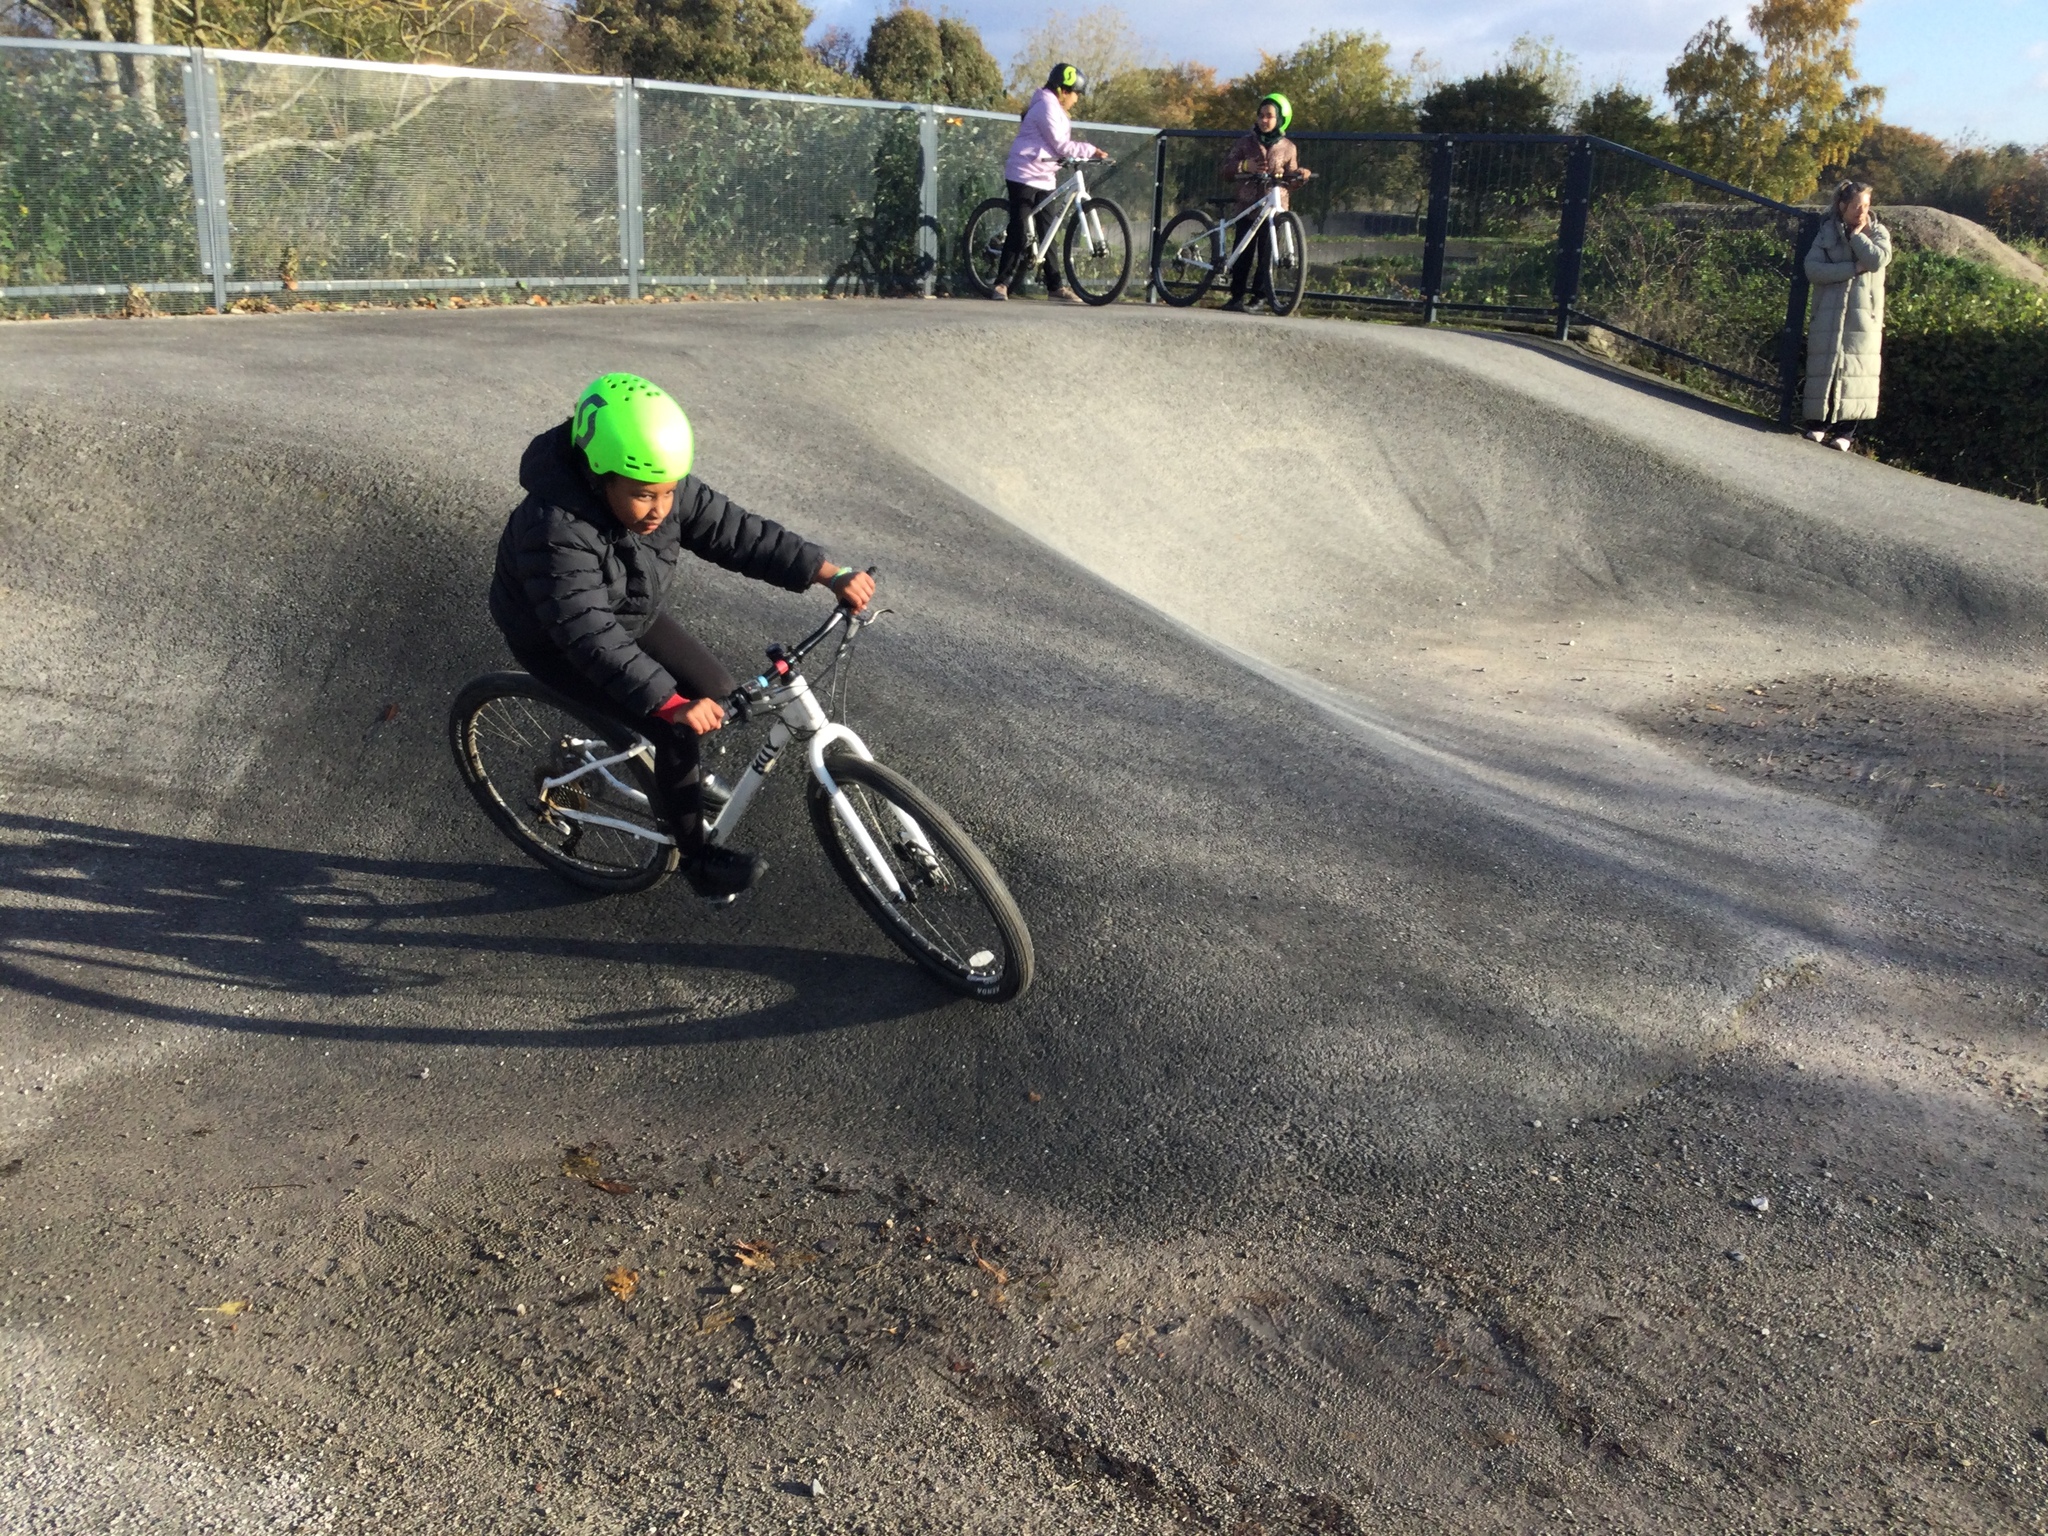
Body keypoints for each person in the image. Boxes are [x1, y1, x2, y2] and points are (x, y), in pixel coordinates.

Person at [488, 373, 875, 899]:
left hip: (627, 615)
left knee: (716, 694)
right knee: (673, 724)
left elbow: (738, 532)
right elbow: (587, 631)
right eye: (644, 496)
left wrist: (828, 572)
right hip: (556, 639)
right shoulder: (555, 529)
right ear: (599, 476)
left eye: (669, 492)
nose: (661, 509)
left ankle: (643, 766)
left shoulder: (657, 482)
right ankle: (697, 861)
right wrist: (666, 703)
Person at [992, 62, 1109, 303]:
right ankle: (1001, 284)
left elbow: (1057, 148)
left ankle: (1055, 287)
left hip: (1045, 174)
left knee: (1049, 230)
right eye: (1076, 94)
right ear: (1063, 90)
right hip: (1024, 172)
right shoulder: (1046, 105)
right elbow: (1060, 145)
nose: (1077, 99)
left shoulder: (1054, 106)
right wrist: (1090, 150)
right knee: (1019, 229)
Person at [1802, 179, 1891, 451]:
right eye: (1855, 205)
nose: (1861, 211)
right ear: (1842, 206)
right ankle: (1818, 424)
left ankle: (1846, 433)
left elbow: (1877, 260)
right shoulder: (1826, 233)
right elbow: (1813, 269)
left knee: (1856, 372)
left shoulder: (1878, 232)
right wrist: (1852, 268)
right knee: (1824, 367)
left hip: (1863, 319)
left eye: (1865, 206)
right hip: (1828, 313)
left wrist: (1856, 237)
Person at [1218, 92, 1311, 313]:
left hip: (1274, 210)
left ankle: (1260, 297)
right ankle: (1236, 296)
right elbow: (1225, 169)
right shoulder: (1245, 143)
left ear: (1280, 119)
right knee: (1243, 252)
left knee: (1266, 254)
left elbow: (1290, 177)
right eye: (1261, 115)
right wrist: (1244, 167)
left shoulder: (1288, 147)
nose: (1264, 120)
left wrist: (1300, 175)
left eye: (1269, 116)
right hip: (1248, 207)